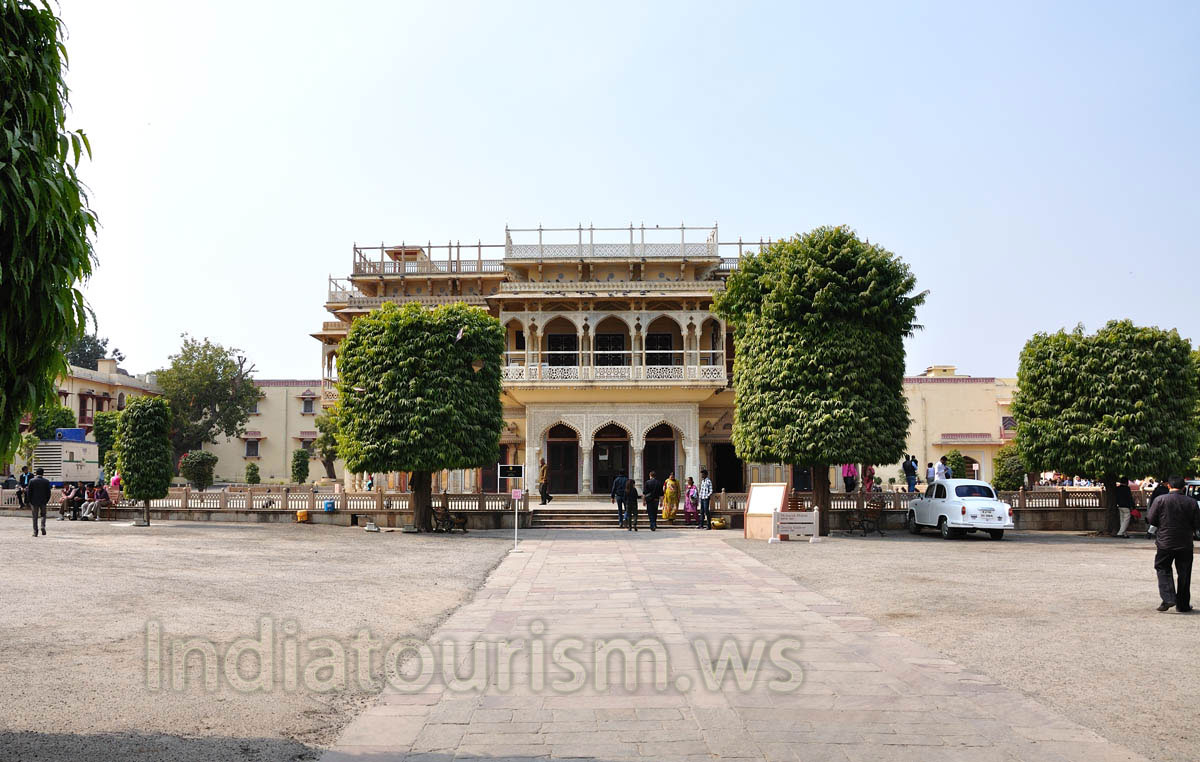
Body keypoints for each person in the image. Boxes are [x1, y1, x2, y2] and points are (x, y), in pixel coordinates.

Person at [1146, 476, 1200, 613]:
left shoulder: (1160, 500)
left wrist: (1162, 525)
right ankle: (1182, 605)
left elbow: (1151, 519)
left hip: (1165, 542)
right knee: (1184, 573)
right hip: (1185, 543)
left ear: (1169, 486)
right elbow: (1197, 523)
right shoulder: (1192, 502)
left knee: (1162, 568)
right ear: (1183, 487)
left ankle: (1168, 597)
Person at [27, 467, 51, 537]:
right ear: (43, 473)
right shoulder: (46, 481)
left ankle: (35, 532)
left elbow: (29, 492)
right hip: (43, 501)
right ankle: (42, 526)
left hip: (34, 501)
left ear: (36, 473)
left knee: (35, 517)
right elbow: (48, 493)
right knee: (43, 515)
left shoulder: (32, 481)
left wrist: (30, 501)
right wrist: (46, 500)